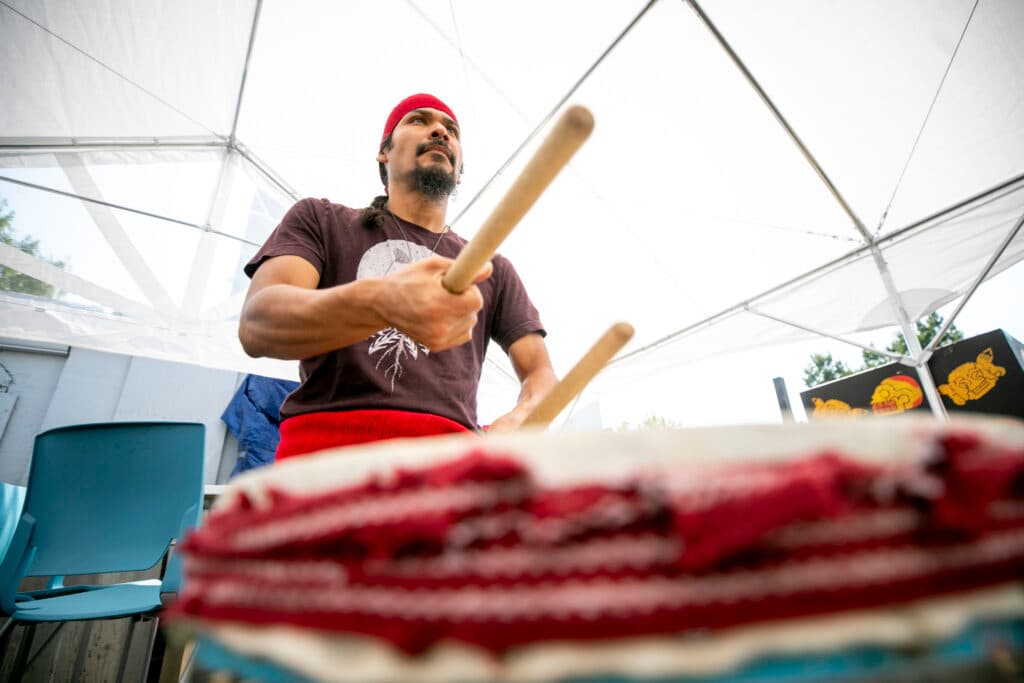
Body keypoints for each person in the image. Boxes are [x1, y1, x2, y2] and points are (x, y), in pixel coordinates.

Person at [238, 93, 557, 462]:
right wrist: (383, 301)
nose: (440, 130)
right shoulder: (321, 220)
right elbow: (258, 323)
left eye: (451, 129)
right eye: (418, 120)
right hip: (324, 460)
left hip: (447, 473)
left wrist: (516, 423)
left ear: (459, 168)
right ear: (384, 153)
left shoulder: (492, 268)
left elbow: (541, 374)